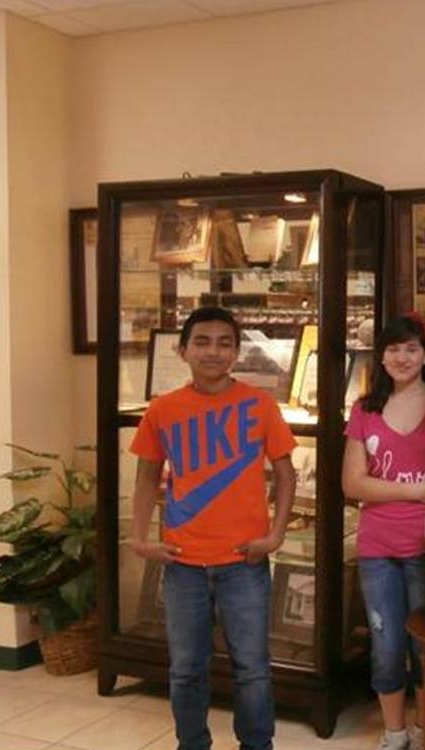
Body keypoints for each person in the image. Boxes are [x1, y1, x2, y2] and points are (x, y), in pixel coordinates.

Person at [130, 307, 297, 750]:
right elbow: (147, 475)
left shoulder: (259, 404)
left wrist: (276, 535)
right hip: (183, 562)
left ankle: (257, 745)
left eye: (225, 342)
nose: (213, 351)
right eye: (202, 341)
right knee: (186, 669)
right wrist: (140, 538)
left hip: (245, 561)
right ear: (182, 349)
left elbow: (286, 474)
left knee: (253, 669)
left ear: (237, 352)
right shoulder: (163, 409)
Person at [342, 314, 425, 750]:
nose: (401, 357)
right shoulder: (364, 409)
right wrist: (418, 488)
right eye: (393, 349)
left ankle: (423, 728)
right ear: (380, 356)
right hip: (377, 548)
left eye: (411, 349)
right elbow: (352, 484)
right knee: (385, 646)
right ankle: (394, 732)